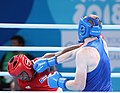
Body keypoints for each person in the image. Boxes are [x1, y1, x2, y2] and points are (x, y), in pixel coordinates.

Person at [33, 14, 113, 91]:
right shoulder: (102, 42)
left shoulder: (83, 53)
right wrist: (50, 62)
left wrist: (59, 82)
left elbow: (78, 86)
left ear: (82, 29)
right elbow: (72, 54)